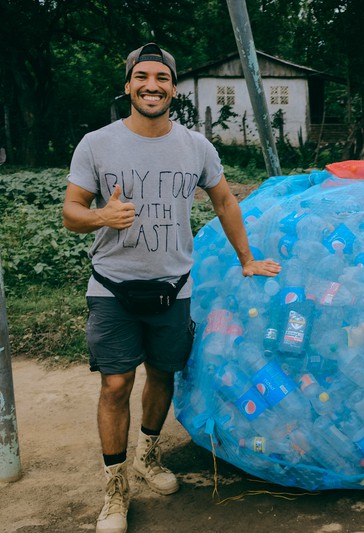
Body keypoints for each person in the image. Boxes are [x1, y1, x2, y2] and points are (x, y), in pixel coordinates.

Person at [62, 43, 281, 533]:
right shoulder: (96, 144)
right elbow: (71, 211)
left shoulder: (195, 146)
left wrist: (247, 259)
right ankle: (114, 491)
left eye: (161, 77)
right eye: (142, 76)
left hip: (173, 287)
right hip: (112, 287)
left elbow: (224, 201)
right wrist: (101, 215)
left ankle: (149, 457)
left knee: (162, 376)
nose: (151, 85)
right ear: (128, 86)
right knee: (116, 384)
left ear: (173, 88)